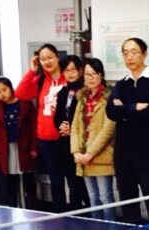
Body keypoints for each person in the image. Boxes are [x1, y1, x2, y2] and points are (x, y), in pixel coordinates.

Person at [107, 37, 149, 222]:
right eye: (125, 53)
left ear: (144, 54)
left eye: (134, 52)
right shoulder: (121, 84)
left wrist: (124, 109)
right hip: (122, 152)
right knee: (128, 203)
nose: (129, 57)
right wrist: (135, 107)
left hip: (146, 151)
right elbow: (111, 112)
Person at [16, 44, 66, 211]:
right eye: (43, 59)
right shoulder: (41, 80)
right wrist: (32, 71)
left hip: (65, 137)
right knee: (55, 180)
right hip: (45, 138)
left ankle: (79, 214)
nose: (47, 62)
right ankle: (60, 214)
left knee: (74, 180)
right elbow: (20, 93)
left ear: (57, 57)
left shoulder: (67, 78)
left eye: (50, 57)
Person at [70, 58, 117, 220]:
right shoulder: (82, 99)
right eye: (86, 74)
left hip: (101, 155)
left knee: (106, 198)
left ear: (101, 75)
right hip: (83, 157)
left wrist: (90, 153)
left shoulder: (109, 98)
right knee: (93, 198)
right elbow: (75, 127)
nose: (89, 78)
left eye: (93, 74)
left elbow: (108, 129)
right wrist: (76, 152)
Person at [0, 77, 37, 208]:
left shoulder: (25, 103)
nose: (2, 94)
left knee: (28, 180)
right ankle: (13, 208)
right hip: (6, 148)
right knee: (10, 181)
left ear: (11, 88)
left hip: (24, 147)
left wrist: (34, 147)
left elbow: (34, 126)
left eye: (4, 90)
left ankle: (30, 209)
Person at [54, 55, 90, 210]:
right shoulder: (63, 92)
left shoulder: (86, 91)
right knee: (72, 181)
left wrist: (72, 128)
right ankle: (76, 212)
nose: (70, 73)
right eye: (66, 70)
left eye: (73, 70)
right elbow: (57, 116)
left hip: (82, 143)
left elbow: (87, 116)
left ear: (80, 71)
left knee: (84, 182)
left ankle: (89, 212)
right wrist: (61, 126)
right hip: (65, 143)